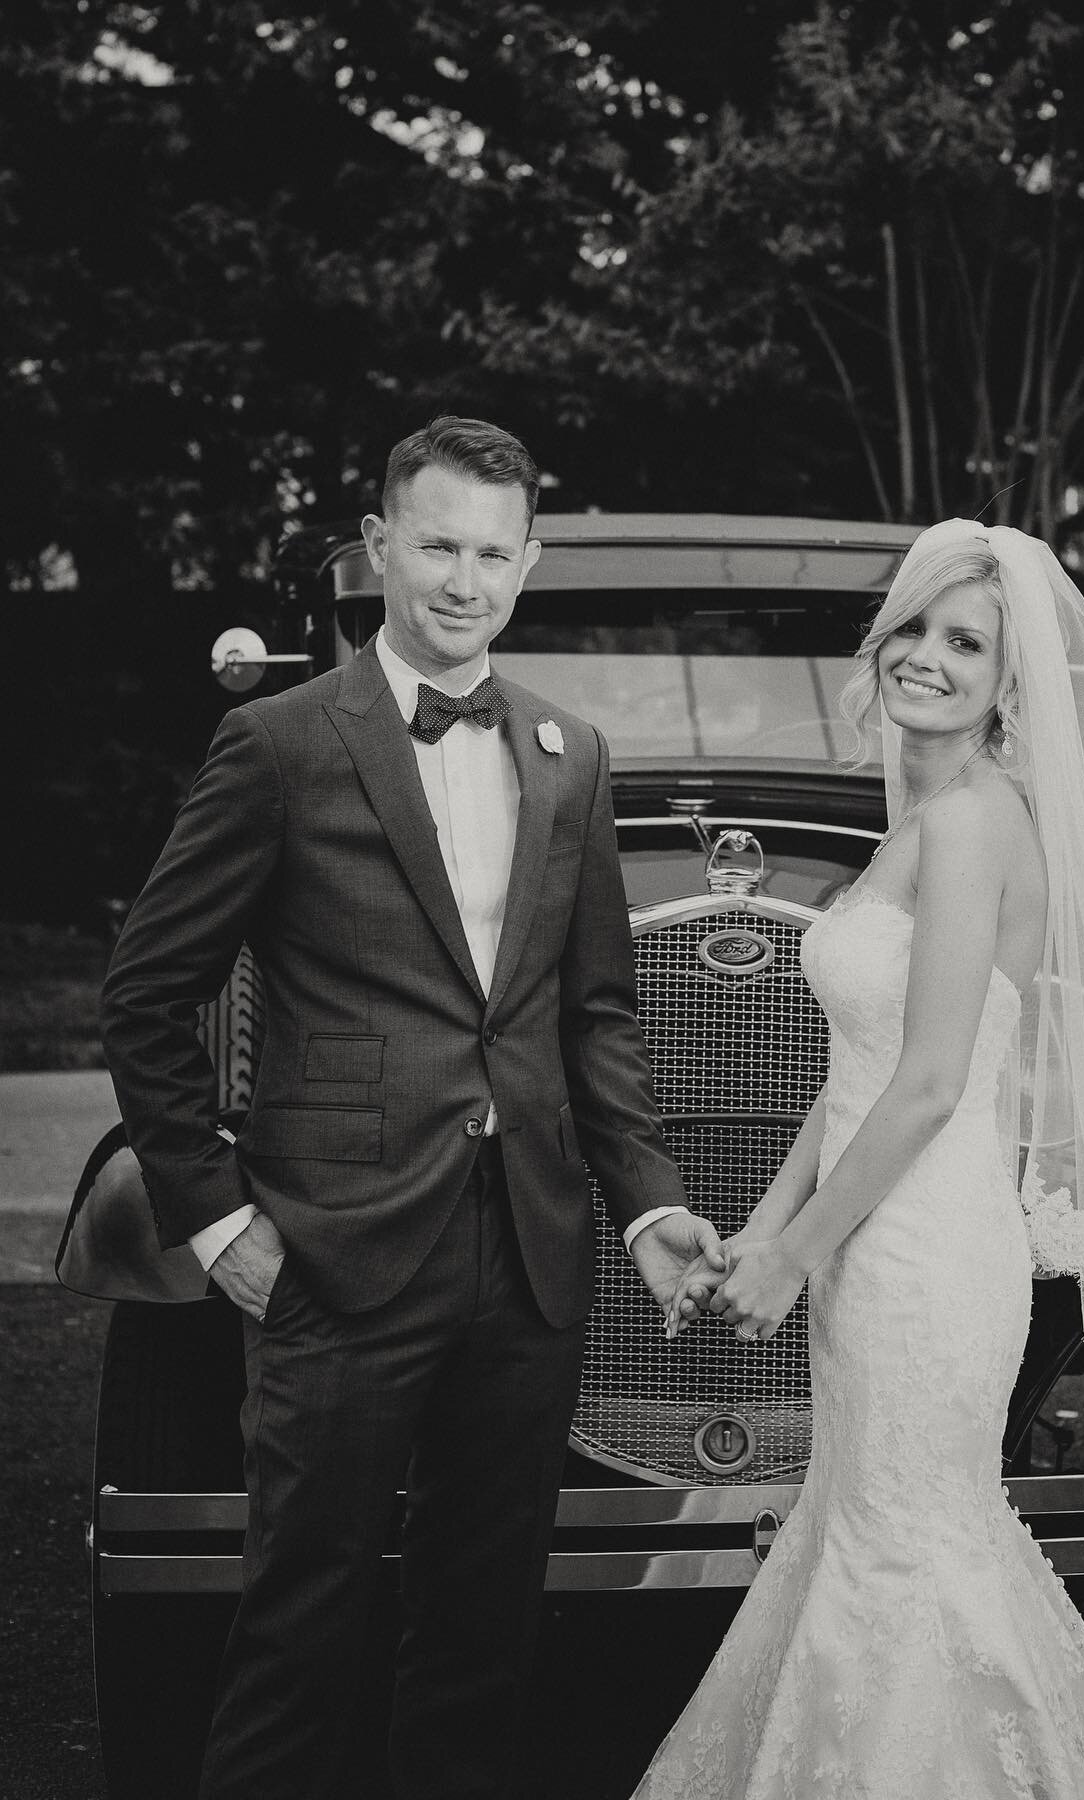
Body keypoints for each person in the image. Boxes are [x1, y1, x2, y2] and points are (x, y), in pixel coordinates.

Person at [100, 416, 724, 1800]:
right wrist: (213, 1222)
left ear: (530, 562)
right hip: (335, 1250)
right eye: (436, 543)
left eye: (493, 552)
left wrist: (655, 1203)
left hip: (530, 1258)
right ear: (380, 546)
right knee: (300, 1627)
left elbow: (593, 1018)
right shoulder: (277, 744)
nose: (463, 578)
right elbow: (146, 996)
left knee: (483, 1633)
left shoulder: (573, 750)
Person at [640, 520, 1084, 1798]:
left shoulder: (976, 825)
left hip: (927, 1254)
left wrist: (801, 1253)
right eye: (917, 629)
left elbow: (936, 1080)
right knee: (870, 1533)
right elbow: (854, 1083)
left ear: (1011, 689)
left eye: (968, 642)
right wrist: (759, 1236)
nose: (927, 658)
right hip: (871, 1240)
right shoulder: (917, 822)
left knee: (907, 1551)